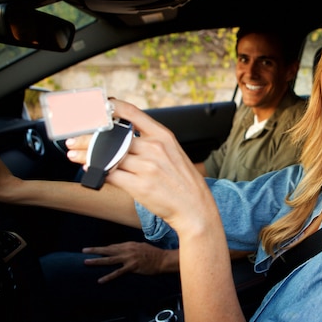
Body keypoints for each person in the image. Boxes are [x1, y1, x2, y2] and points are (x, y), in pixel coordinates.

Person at [0, 0, 322, 322]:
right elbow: (180, 202)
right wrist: (16, 188)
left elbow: (197, 213)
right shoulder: (314, 181)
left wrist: (196, 224)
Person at [38, 26, 308, 319]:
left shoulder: (297, 131)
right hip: (182, 219)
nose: (250, 73)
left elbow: (270, 230)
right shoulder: (247, 111)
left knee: (50, 271)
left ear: (290, 70)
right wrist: (144, 171)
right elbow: (212, 166)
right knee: (93, 177)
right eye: (244, 59)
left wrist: (161, 261)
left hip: (205, 258)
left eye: (266, 62)